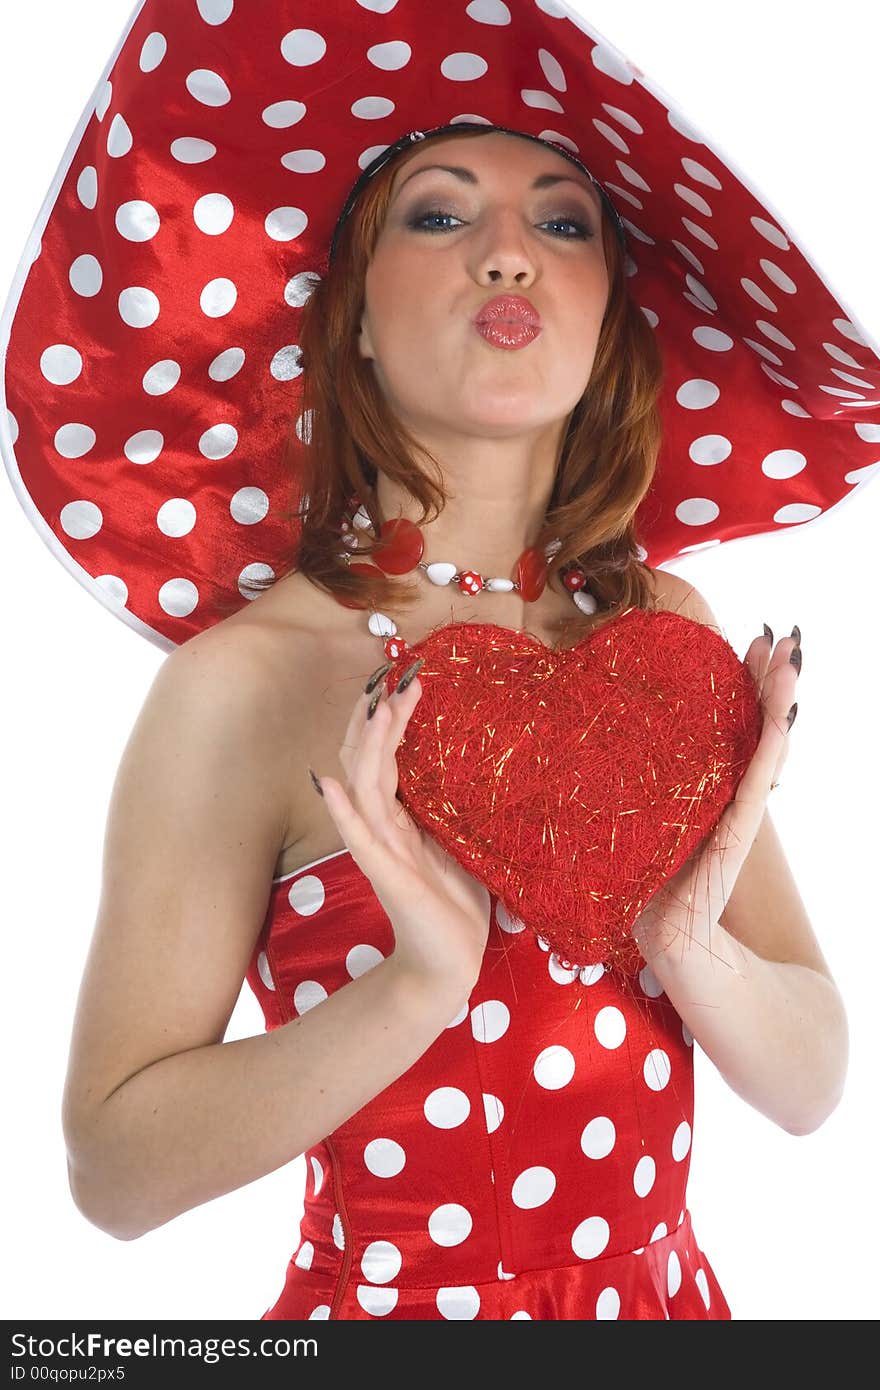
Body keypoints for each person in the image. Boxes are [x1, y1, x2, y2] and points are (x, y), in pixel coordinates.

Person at [0, 2, 865, 1321]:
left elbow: (811, 1084)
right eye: (441, 215)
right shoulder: (248, 683)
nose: (510, 255)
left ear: (606, 321)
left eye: (563, 221)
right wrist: (418, 988)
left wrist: (693, 944)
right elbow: (113, 1171)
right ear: (348, 316)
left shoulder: (665, 639)